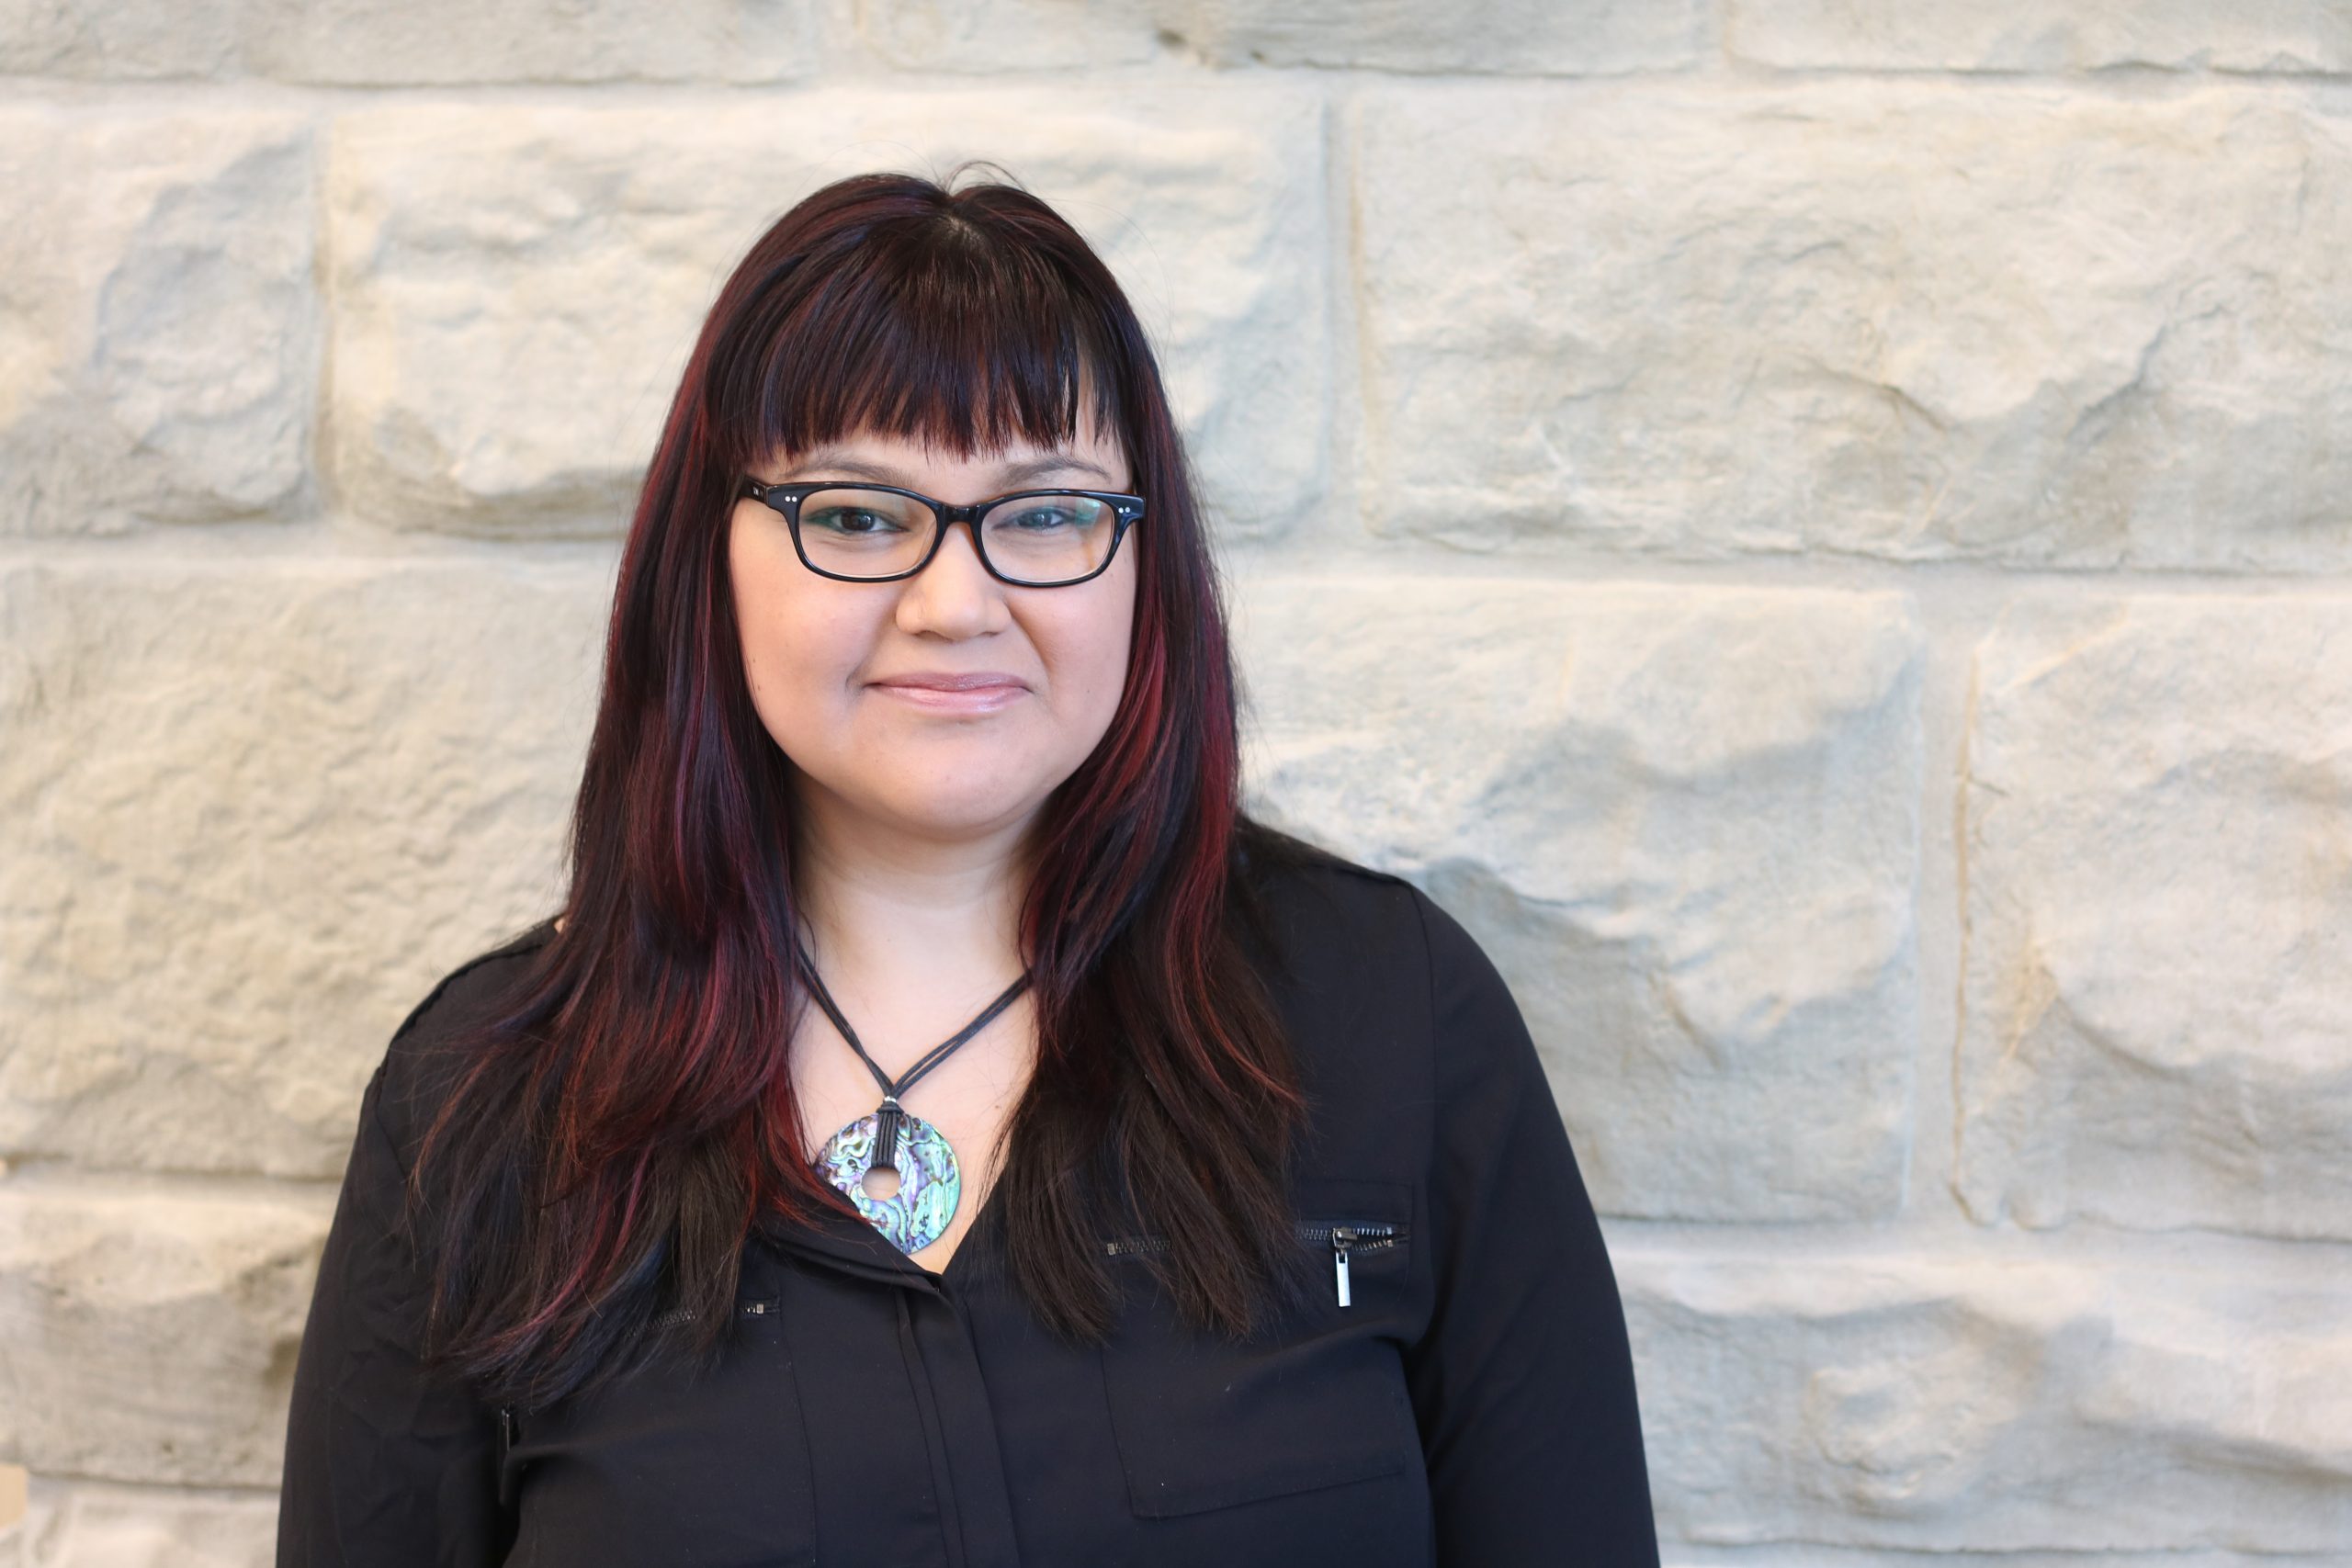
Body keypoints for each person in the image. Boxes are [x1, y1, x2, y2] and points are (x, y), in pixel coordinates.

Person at [275, 166, 1659, 1568]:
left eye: (1045, 512)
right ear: (716, 558)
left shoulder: (1391, 1018)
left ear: (1144, 558)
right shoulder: (486, 1104)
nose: (955, 605)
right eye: (860, 516)